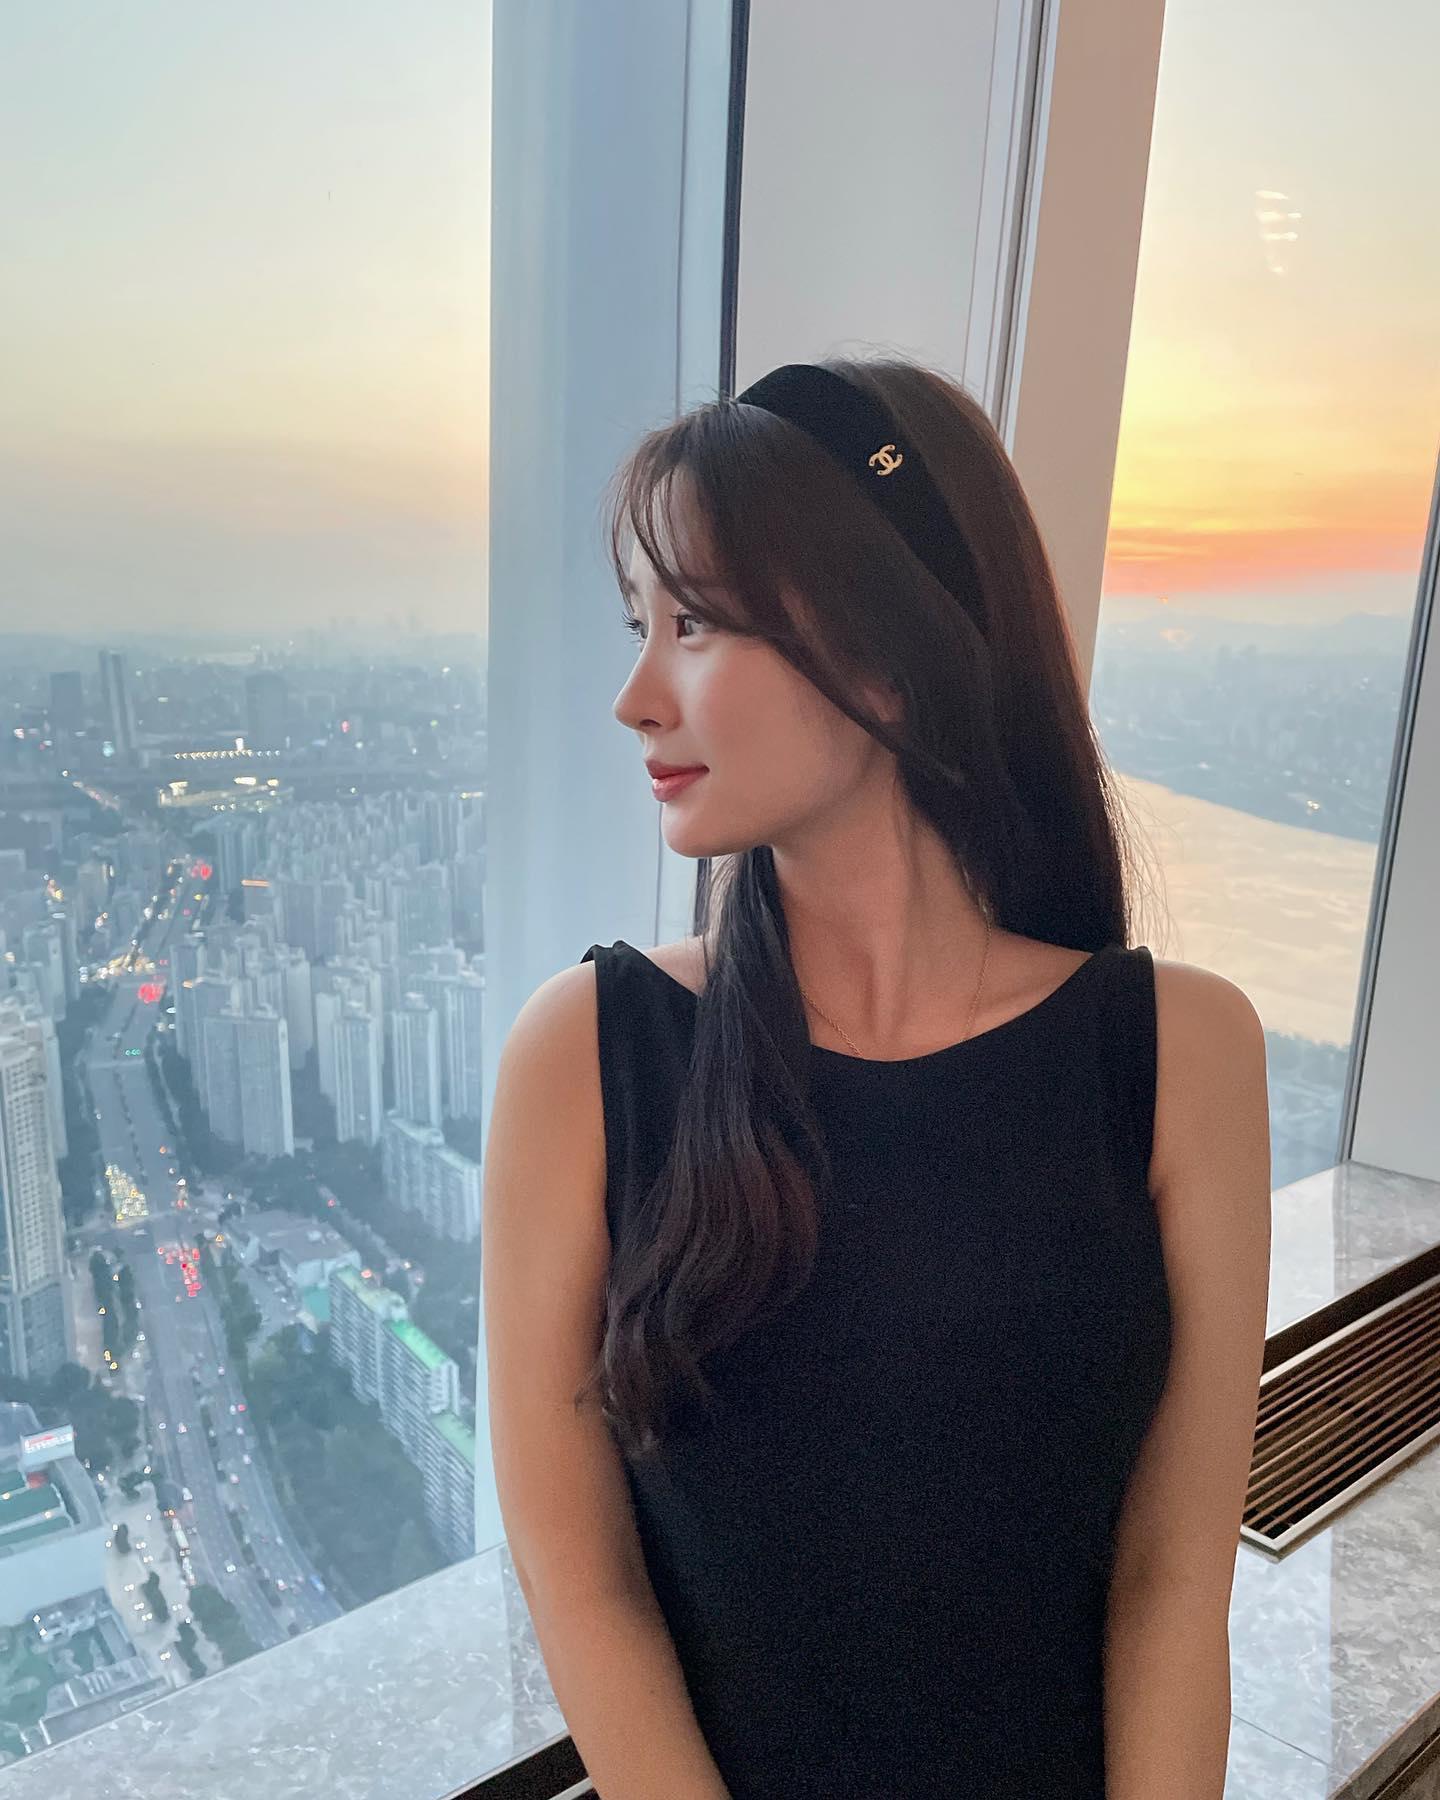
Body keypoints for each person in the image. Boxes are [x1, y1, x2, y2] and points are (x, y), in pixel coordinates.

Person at [483, 355, 1272, 1799]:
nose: (636, 697)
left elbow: (1172, 1581)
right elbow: (580, 1575)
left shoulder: (1179, 1059)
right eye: (640, 625)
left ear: (889, 645)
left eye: (695, 623)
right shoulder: (587, 1058)